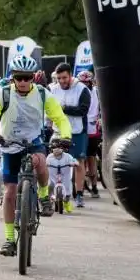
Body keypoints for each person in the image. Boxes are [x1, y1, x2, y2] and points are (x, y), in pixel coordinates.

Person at [0, 55, 72, 257]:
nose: (23, 82)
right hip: (9, 144)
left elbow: (59, 117)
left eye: (27, 77)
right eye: (19, 77)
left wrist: (65, 136)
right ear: (12, 77)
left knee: (39, 161)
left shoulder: (42, 94)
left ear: (33, 77)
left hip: (33, 141)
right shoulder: (2, 94)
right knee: (10, 192)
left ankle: (42, 195)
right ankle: (9, 239)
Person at [49, 63, 91, 208]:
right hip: (58, 132)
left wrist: (63, 109)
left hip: (77, 132)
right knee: (54, 162)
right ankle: (55, 192)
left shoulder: (82, 90)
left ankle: (79, 195)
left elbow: (83, 110)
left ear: (70, 76)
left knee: (79, 163)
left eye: (64, 78)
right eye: (59, 78)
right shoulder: (52, 89)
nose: (61, 81)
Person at [77, 70, 101, 198]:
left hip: (90, 128)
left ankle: (93, 185)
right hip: (83, 127)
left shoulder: (95, 91)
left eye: (87, 82)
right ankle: (88, 185)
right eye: (83, 83)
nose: (85, 85)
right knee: (85, 158)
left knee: (89, 157)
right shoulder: (94, 91)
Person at [46, 140, 78, 213]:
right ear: (51, 149)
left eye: (59, 148)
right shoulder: (49, 157)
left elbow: (74, 160)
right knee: (50, 186)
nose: (56, 149)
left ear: (62, 149)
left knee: (68, 190)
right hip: (53, 177)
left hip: (65, 177)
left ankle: (66, 202)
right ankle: (49, 201)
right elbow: (45, 163)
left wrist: (74, 163)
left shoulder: (67, 156)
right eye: (54, 148)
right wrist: (45, 165)